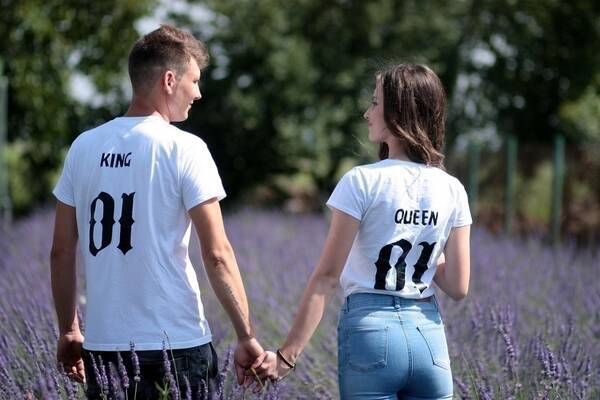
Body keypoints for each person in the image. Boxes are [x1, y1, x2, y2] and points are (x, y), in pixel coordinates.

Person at [50, 25, 265, 399]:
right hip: (177, 346)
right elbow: (217, 254)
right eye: (194, 81)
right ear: (169, 80)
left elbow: (61, 251)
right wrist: (246, 335)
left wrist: (69, 330)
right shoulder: (186, 149)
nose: (198, 93)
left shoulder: (83, 147)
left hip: (104, 349)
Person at [253, 63, 471, 399]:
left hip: (371, 332)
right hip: (428, 336)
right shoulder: (453, 188)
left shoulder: (361, 181)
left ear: (397, 112)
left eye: (374, 103)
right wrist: (419, 243)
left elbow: (327, 278)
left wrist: (286, 357)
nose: (367, 113)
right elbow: (457, 286)